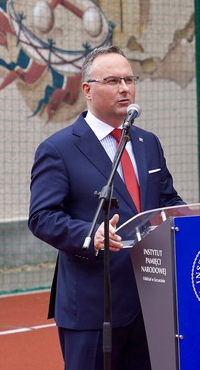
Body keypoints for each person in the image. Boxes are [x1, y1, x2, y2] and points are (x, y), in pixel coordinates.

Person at [28, 45, 185, 370]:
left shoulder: (147, 142)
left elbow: (167, 200)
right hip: (92, 305)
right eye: (113, 81)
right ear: (88, 89)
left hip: (150, 298)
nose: (125, 88)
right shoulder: (59, 149)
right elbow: (42, 217)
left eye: (129, 79)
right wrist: (90, 234)